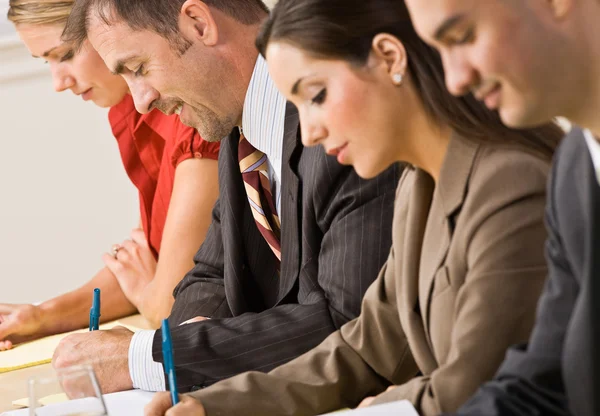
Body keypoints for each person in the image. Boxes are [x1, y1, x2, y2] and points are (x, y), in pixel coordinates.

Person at [142, 0, 565, 415]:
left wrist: (375, 408)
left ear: (388, 58)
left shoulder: (510, 183)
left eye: (317, 95)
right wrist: (213, 406)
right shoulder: (418, 186)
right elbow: (364, 350)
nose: (307, 134)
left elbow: (472, 390)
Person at [48, 0, 401, 395]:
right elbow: (211, 275)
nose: (141, 101)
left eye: (138, 68)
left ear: (199, 24)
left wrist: (151, 357)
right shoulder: (240, 132)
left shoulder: (338, 127)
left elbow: (351, 324)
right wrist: (188, 344)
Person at [403, 1, 600, 415]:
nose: (454, 80)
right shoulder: (574, 169)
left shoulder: (526, 176)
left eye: (462, 37)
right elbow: (541, 383)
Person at [0, 0, 220, 347]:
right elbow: (144, 261)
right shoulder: (130, 112)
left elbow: (169, 306)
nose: (58, 83)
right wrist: (41, 316)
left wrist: (150, 294)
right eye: (47, 61)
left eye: (66, 54)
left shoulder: (194, 117)